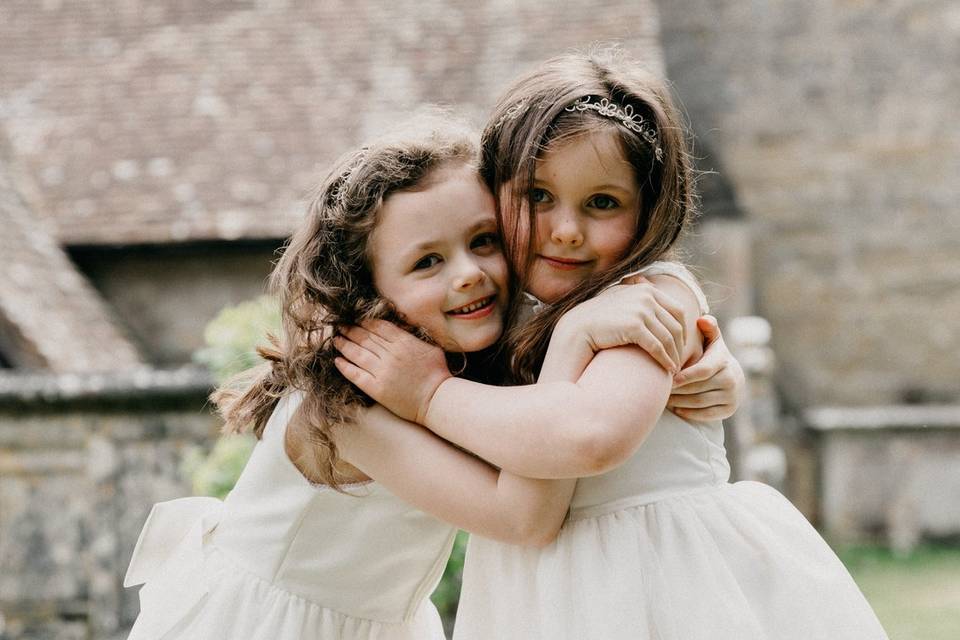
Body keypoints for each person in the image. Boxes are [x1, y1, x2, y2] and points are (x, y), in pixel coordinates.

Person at [334, 50, 888, 640]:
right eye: (538, 197)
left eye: (602, 203)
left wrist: (428, 394)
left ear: (649, 212)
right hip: (542, 596)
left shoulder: (647, 301)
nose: (566, 229)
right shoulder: (500, 316)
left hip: (664, 585)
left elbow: (589, 437)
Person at [123, 115, 742, 640]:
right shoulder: (348, 404)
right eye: (427, 262)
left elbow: (551, 404)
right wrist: (579, 333)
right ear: (368, 290)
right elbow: (525, 516)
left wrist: (716, 365)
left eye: (483, 240)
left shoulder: (463, 347)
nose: (468, 274)